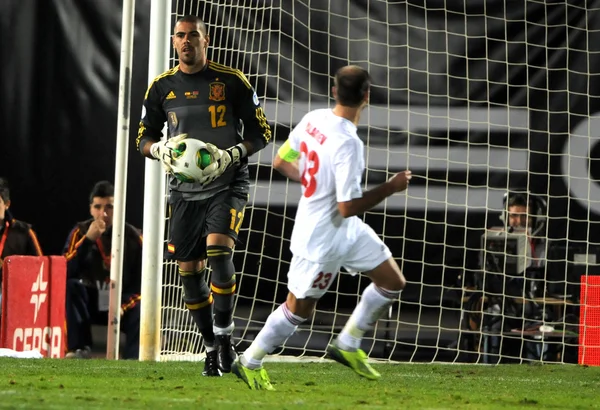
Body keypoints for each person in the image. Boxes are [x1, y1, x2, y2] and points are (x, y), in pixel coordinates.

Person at [232, 65, 412, 390]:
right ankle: (250, 359)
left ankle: (348, 343)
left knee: (392, 281)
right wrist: (391, 187)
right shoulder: (349, 144)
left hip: (346, 230)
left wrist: (315, 185)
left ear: (333, 91)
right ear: (366, 97)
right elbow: (347, 205)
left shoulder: (314, 119)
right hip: (321, 239)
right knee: (297, 310)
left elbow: (281, 160)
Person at [136, 15, 272, 376]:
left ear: (205, 41)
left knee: (218, 249)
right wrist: (160, 151)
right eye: (180, 36)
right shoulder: (161, 87)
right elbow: (143, 137)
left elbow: (262, 133)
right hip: (184, 191)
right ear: (174, 42)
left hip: (226, 182)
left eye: (192, 35)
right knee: (189, 270)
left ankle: (225, 335)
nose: (185, 41)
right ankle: (211, 348)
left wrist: (233, 154)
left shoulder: (231, 81)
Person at [63, 181, 142, 359]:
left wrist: (123, 305)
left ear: (119, 208)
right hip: (90, 302)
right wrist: (88, 240)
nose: (103, 213)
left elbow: (144, 283)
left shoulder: (134, 237)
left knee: (141, 307)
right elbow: (65, 271)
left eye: (110, 207)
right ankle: (79, 349)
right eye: (98, 207)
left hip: (122, 304)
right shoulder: (80, 232)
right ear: (91, 209)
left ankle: (133, 359)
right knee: (71, 286)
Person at [0, 178, 44, 317]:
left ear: (7, 204)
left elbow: (40, 269)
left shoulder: (23, 232)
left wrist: (9, 270)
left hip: (15, 297)